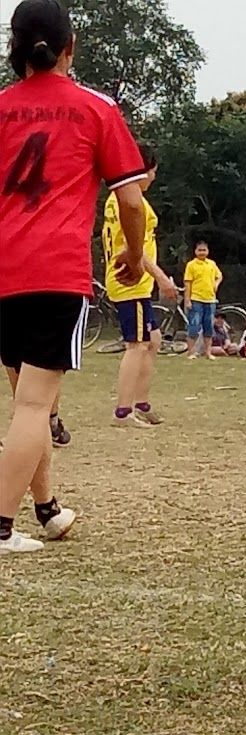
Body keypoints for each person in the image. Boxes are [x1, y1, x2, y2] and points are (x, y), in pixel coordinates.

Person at [0, 0, 146, 555]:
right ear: (71, 46)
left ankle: (46, 508)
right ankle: (1, 524)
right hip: (55, 272)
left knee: (27, 402)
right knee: (36, 406)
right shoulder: (95, 108)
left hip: (5, 272)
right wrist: (135, 255)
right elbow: (130, 200)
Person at [103, 142, 177, 428]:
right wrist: (161, 277)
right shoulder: (132, 203)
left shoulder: (115, 198)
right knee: (136, 344)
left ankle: (141, 402)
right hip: (130, 281)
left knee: (153, 340)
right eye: (153, 172)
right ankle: (123, 411)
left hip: (133, 282)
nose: (153, 178)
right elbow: (134, 248)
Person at [183, 241, 222, 360]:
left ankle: (208, 353)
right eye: (199, 250)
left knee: (208, 327)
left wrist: (216, 284)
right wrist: (187, 300)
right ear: (195, 251)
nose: (202, 252)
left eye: (204, 250)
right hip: (196, 299)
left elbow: (219, 276)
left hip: (210, 300)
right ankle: (191, 352)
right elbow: (188, 283)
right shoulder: (191, 265)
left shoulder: (212, 264)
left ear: (208, 251)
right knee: (194, 326)